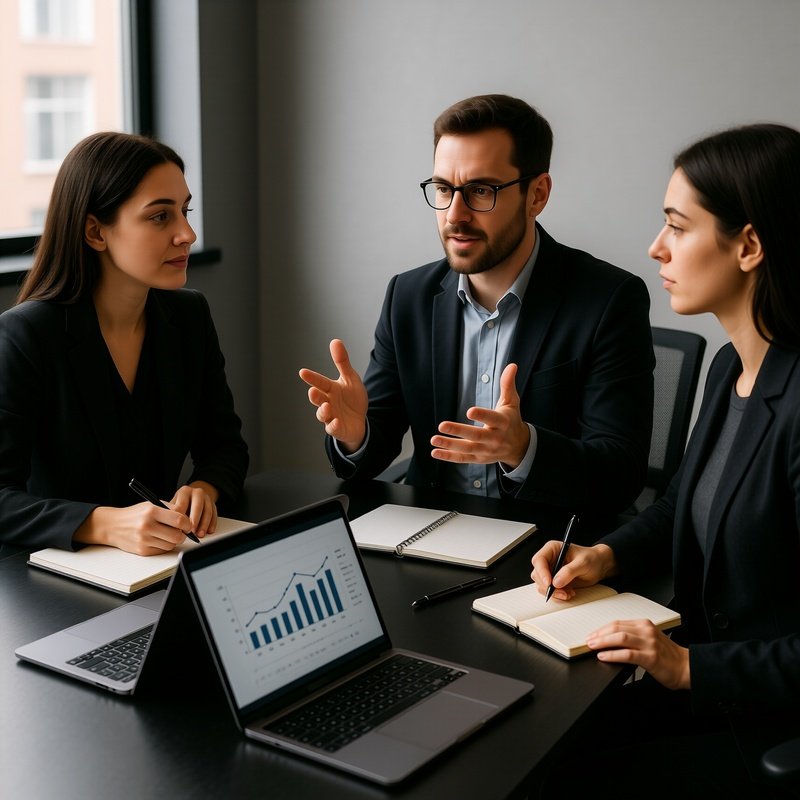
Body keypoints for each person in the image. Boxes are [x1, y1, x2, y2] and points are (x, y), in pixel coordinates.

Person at [530, 123, 800, 796]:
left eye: (678, 227)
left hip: (767, 727)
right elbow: (683, 502)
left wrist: (686, 669)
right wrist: (604, 557)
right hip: (705, 694)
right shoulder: (732, 368)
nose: (656, 248)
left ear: (749, 245)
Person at [299, 94, 654, 514]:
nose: (455, 214)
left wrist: (524, 448)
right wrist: (357, 434)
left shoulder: (608, 300)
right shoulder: (408, 298)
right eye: (444, 189)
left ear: (537, 195)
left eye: (481, 190)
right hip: (431, 536)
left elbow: (620, 474)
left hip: (547, 548)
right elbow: (371, 456)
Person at [0, 132, 249, 556]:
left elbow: (225, 444)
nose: (187, 234)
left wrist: (205, 488)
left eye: (185, 212)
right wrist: (102, 523)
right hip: (54, 584)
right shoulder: (26, 335)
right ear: (95, 232)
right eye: (160, 217)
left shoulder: (189, 317)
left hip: (162, 564)